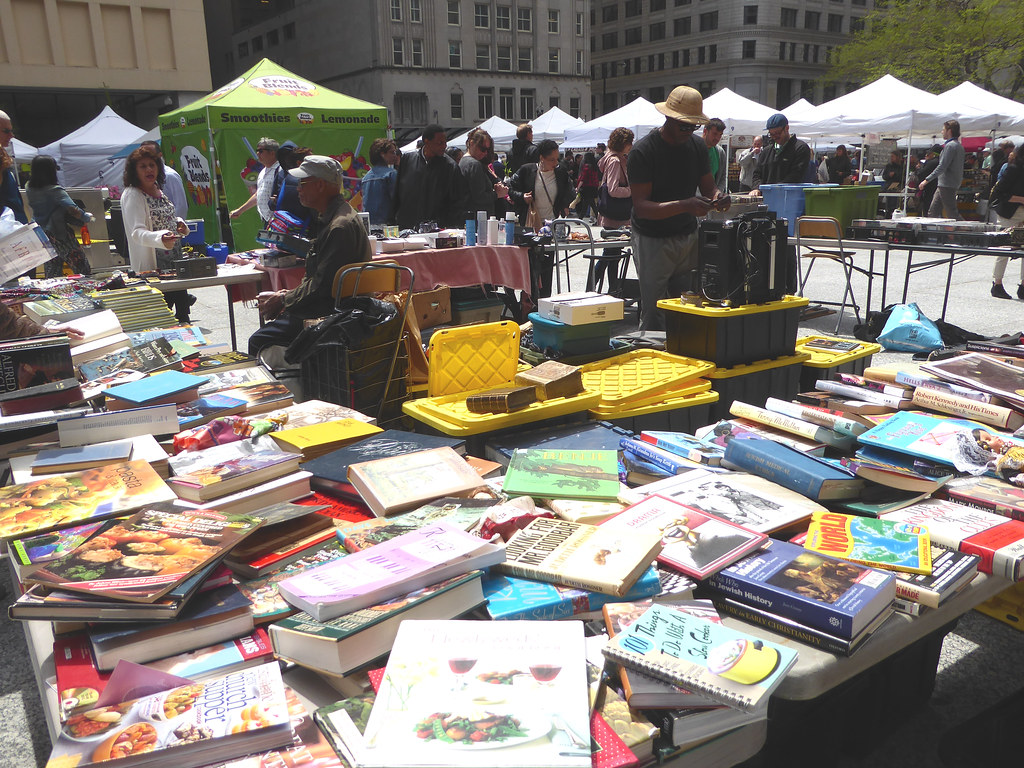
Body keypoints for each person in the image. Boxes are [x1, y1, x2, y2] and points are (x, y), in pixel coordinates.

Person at [628, 85, 729, 331]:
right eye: (684, 125)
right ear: (668, 119)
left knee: (689, 307)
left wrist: (718, 197)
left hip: (686, 236)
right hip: (652, 238)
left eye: (693, 126)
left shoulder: (697, 148)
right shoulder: (643, 151)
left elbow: (708, 188)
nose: (689, 131)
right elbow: (642, 207)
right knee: (655, 312)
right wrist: (685, 205)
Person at [248, 155, 372, 357]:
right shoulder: (334, 217)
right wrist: (285, 296)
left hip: (332, 314)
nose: (298, 189)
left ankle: (274, 388)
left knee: (258, 340)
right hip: (333, 308)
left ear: (321, 185)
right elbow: (321, 281)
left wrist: (283, 299)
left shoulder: (339, 226)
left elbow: (322, 288)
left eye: (303, 183)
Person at [120, 145, 195, 323]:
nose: (149, 169)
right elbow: (136, 233)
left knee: (183, 317)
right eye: (143, 166)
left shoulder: (158, 188)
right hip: (154, 267)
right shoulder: (133, 194)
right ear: (134, 171)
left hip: (175, 263)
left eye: (152, 165)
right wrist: (160, 238)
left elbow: (167, 217)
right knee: (163, 319)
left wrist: (180, 225)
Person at [26, 155, 93, 278]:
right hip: (59, 234)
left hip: (42, 234)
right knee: (82, 269)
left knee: (52, 272)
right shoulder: (55, 190)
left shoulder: (29, 187)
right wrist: (87, 218)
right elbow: (73, 209)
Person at [391, 124, 465, 230]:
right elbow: (397, 193)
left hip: (436, 230)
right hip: (407, 228)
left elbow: (457, 203)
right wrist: (392, 221)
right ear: (426, 141)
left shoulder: (450, 167)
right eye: (439, 143)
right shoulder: (407, 160)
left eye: (445, 142)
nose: (444, 146)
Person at [593, 127, 634, 293]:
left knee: (611, 254)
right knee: (610, 254)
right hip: (616, 216)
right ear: (623, 144)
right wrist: (632, 191)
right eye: (629, 142)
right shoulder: (615, 161)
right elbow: (613, 189)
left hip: (612, 215)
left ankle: (611, 289)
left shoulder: (611, 158)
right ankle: (603, 288)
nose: (631, 145)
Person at [508, 138, 573, 226]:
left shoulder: (561, 172)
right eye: (552, 160)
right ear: (542, 158)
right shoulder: (526, 170)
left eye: (557, 159)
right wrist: (522, 196)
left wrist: (565, 205)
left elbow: (570, 191)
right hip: (530, 221)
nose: (556, 163)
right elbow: (509, 187)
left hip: (553, 222)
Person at [990, 144, 1024, 299]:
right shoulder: (1013, 169)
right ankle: (997, 284)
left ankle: (1023, 285)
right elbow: (999, 193)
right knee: (1004, 248)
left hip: (1020, 212)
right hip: (1009, 213)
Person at [750, 113, 811, 191]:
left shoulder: (800, 148)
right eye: (771, 134)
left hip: (789, 196)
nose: (774, 136)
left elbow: (796, 175)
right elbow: (757, 174)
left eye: (777, 133)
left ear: (787, 128)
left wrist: (775, 189)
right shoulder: (766, 151)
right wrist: (756, 188)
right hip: (767, 197)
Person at [920, 120, 965, 220]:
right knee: (933, 212)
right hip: (946, 183)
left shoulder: (950, 146)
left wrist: (926, 180)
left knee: (952, 213)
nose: (942, 132)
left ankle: (967, 231)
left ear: (949, 131)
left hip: (947, 184)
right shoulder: (959, 146)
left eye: (943, 129)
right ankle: (931, 233)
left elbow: (942, 166)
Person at [229, 137, 279, 225]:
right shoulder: (263, 171)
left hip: (278, 220)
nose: (257, 153)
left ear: (272, 153)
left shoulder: (280, 170)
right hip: (267, 220)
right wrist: (240, 210)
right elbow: (258, 195)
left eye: (261, 151)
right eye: (257, 150)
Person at [459, 129, 507, 218]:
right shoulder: (474, 164)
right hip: (479, 219)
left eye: (488, 150)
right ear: (471, 143)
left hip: (470, 217)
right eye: (482, 149)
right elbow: (480, 197)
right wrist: (497, 194)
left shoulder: (463, 162)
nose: (485, 153)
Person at [141, 140, 187, 219]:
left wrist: (173, 226)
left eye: (150, 155)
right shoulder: (142, 176)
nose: (147, 159)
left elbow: (181, 206)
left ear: (160, 155)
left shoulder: (170, 176)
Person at [360, 137, 399, 226]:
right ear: (382, 154)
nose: (395, 155)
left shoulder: (366, 177)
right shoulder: (391, 174)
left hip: (369, 225)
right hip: (387, 226)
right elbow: (398, 201)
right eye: (392, 152)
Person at [0, 110, 26, 223]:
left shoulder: (3, 157)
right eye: (6, 131)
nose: (12, 135)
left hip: (14, 231)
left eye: (11, 131)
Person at [701, 118, 728, 194]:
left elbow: (722, 176)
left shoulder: (720, 152)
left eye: (720, 135)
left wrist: (717, 193)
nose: (717, 138)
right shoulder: (695, 149)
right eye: (715, 134)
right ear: (705, 131)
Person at [574, 152, 601, 221]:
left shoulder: (586, 167)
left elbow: (583, 178)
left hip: (587, 187)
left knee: (588, 204)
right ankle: (581, 219)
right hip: (593, 187)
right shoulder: (595, 166)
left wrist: (578, 187)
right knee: (590, 204)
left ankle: (580, 219)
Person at [882, 150, 904, 215]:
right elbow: (884, 176)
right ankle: (888, 213)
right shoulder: (888, 166)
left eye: (893, 156)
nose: (891, 158)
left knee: (895, 203)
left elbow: (903, 177)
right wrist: (889, 175)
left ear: (897, 157)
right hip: (889, 186)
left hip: (898, 186)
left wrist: (895, 175)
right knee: (889, 203)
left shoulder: (902, 166)